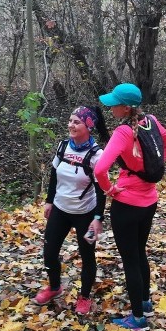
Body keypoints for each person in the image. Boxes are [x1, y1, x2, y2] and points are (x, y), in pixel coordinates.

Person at [90, 83, 166, 331]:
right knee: (139, 253)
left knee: (130, 260)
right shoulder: (152, 121)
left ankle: (137, 319)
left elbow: (100, 169)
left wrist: (109, 190)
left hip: (126, 205)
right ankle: (145, 303)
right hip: (149, 202)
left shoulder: (123, 132)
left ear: (125, 108)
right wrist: (151, 168)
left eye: (114, 103)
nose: (110, 106)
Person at [33, 106, 110, 315]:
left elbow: (101, 190)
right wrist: (49, 201)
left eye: (76, 122)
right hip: (60, 209)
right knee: (49, 253)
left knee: (87, 256)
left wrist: (98, 218)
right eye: (70, 120)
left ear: (88, 126)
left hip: (85, 213)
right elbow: (54, 173)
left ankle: (84, 297)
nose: (71, 125)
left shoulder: (97, 155)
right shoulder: (63, 146)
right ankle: (55, 286)